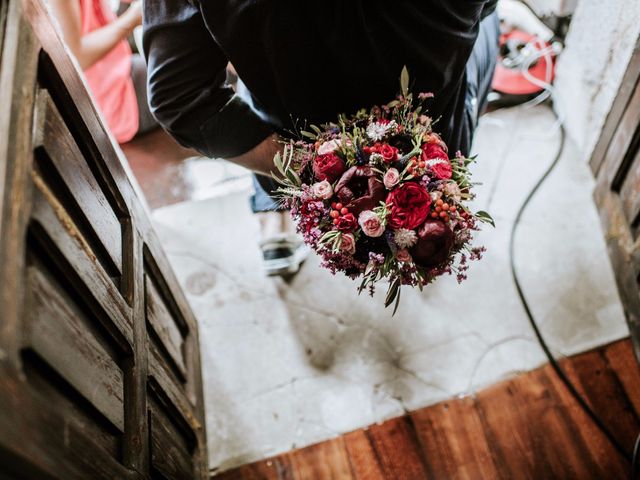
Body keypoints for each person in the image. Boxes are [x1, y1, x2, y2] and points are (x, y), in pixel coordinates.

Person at [143, 1, 499, 273]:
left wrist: (319, 172)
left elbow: (180, 98)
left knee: (265, 58)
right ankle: (433, 198)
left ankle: (273, 205)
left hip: (295, 121)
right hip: (429, 141)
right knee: (487, 26)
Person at [48, 0, 157, 143]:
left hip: (120, 69)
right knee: (186, 72)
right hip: (104, 101)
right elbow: (75, 56)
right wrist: (132, 19)